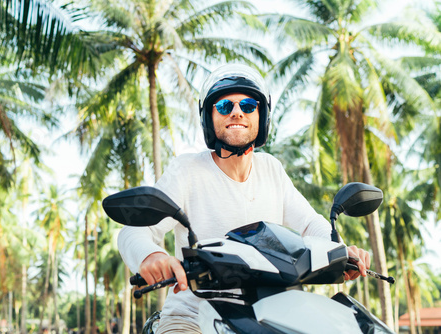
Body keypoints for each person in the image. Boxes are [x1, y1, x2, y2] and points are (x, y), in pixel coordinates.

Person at [117, 64, 371, 333]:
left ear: (261, 116)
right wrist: (152, 255)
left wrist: (341, 252)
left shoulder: (271, 169)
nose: (237, 111)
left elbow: (310, 223)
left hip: (269, 313)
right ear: (208, 117)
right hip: (192, 316)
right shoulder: (187, 170)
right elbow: (134, 230)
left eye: (249, 105)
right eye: (225, 106)